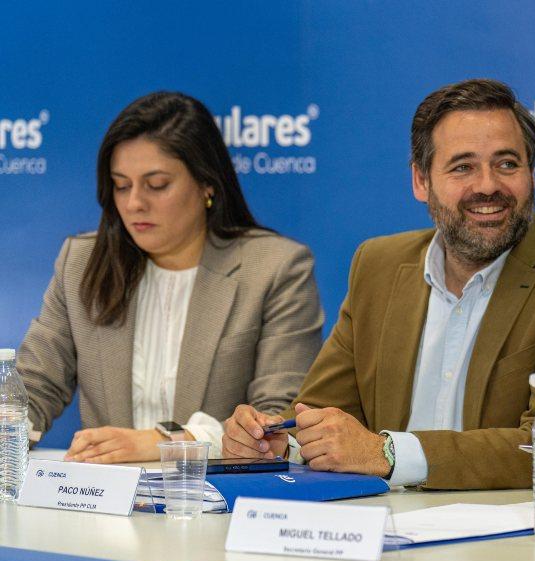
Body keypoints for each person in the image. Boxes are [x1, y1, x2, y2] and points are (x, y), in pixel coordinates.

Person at [221, 78, 535, 489]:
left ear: (532, 173)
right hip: (381, 528)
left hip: (507, 536)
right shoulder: (378, 265)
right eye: (463, 167)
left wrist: (388, 454)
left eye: (508, 164)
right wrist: (277, 443)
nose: (488, 185)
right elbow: (321, 413)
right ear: (421, 181)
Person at [17, 91, 323, 463]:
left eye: (157, 184)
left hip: (220, 504)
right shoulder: (81, 261)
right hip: (101, 507)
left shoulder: (275, 268)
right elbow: (33, 388)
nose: (134, 203)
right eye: (121, 185)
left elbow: (276, 423)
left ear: (207, 184)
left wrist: (165, 440)